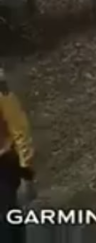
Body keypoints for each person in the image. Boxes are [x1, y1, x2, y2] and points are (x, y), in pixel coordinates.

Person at [0, 68, 35, 243]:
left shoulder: (1, 91)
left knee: (7, 220)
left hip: (4, 166)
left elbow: (19, 129)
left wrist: (26, 170)